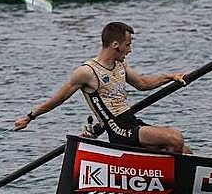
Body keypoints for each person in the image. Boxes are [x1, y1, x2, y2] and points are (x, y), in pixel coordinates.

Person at [13, 21, 190, 152]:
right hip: (118, 130)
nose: (130, 50)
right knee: (174, 138)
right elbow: (58, 99)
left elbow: (143, 84)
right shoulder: (87, 72)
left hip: (132, 123)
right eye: (128, 45)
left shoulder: (121, 65)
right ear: (115, 45)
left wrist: (170, 77)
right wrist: (29, 117)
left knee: (185, 150)